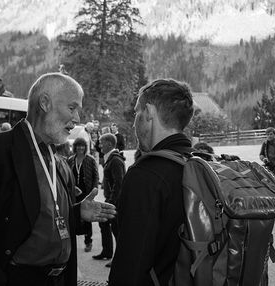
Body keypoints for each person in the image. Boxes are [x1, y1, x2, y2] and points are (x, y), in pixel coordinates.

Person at [0, 72, 116, 286]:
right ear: (45, 103)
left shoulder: (59, 162)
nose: (77, 118)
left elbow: (44, 219)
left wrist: (77, 214)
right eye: (72, 107)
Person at [108, 78, 195, 285]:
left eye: (137, 112)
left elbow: (130, 264)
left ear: (149, 112)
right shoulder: (199, 164)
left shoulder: (147, 175)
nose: (134, 121)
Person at [93, 133, 126, 268]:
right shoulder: (111, 159)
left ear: (109, 144)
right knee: (104, 224)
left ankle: (119, 259)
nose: (99, 145)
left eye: (101, 142)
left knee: (116, 230)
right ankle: (107, 251)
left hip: (114, 201)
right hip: (111, 199)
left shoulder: (115, 160)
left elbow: (119, 182)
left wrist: (111, 201)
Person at [67, 138, 99, 253]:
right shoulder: (71, 160)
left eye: (82, 146)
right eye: (78, 146)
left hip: (87, 193)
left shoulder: (90, 160)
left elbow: (96, 176)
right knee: (73, 216)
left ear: (85, 147)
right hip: (74, 194)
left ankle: (88, 241)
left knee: (87, 218)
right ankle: (72, 243)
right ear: (75, 147)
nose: (80, 148)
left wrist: (94, 191)